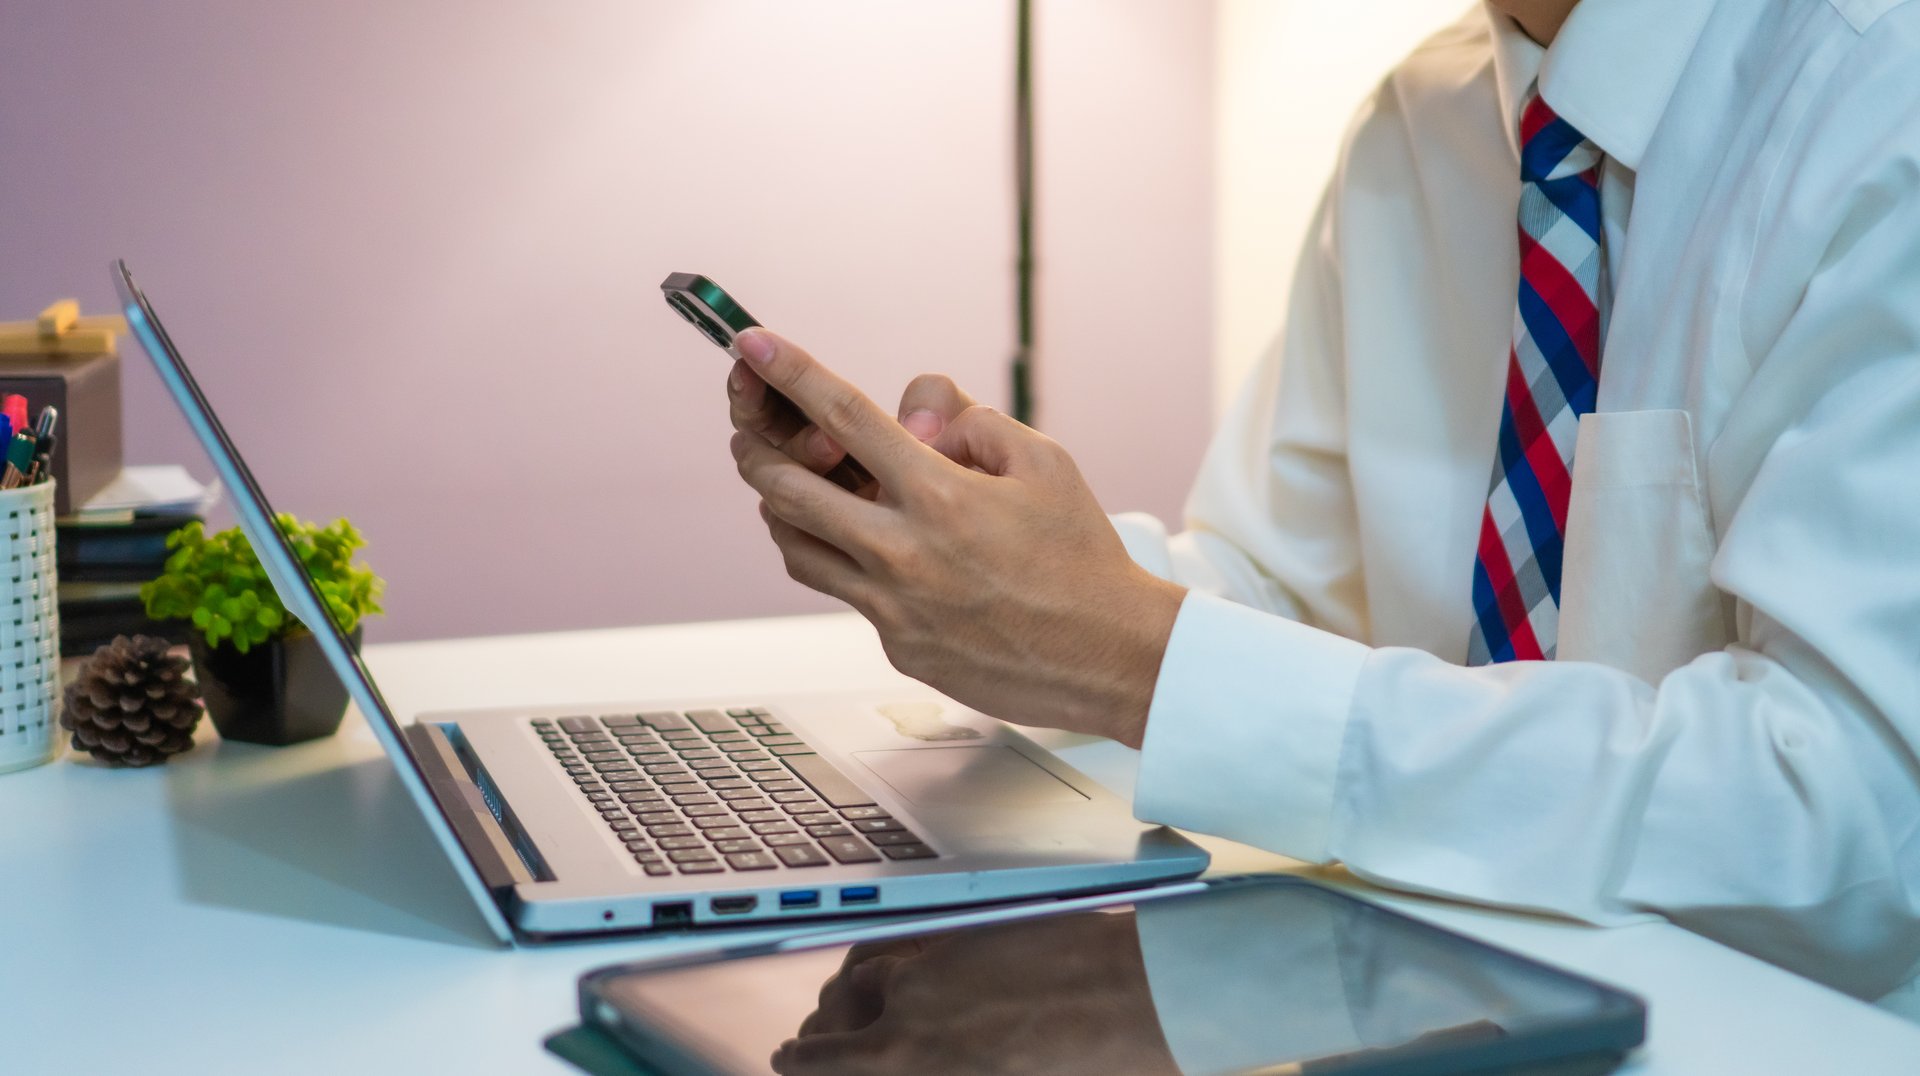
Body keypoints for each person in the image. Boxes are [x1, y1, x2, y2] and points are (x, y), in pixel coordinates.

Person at [721, 0, 1920, 1007]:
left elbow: (1853, 820)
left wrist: (1136, 655)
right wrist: (1010, 576)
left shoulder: (1885, 104)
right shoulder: (1421, 125)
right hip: (1425, 992)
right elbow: (1286, 592)